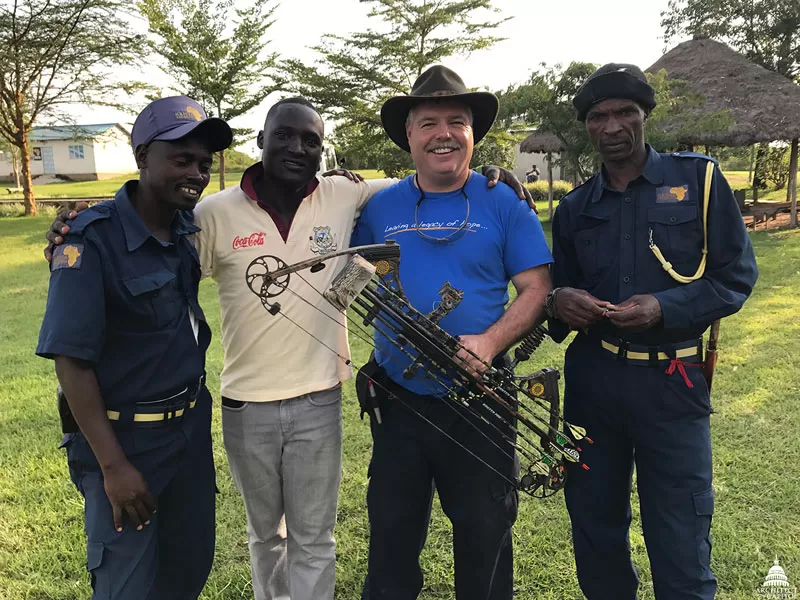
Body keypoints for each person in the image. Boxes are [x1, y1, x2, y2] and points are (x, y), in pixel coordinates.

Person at [45, 96, 531, 600]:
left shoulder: (345, 197)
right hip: (244, 406)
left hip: (320, 399)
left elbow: (429, 175)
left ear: (323, 151)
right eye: (284, 135)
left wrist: (488, 172)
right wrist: (85, 221)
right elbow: (153, 235)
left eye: (311, 141)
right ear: (261, 141)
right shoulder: (214, 213)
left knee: (315, 540)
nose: (297, 148)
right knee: (265, 538)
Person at [545, 64, 758, 600]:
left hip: (673, 381)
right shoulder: (575, 206)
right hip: (593, 385)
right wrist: (558, 300)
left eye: (624, 112)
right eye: (598, 116)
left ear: (644, 117)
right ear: (586, 127)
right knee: (594, 525)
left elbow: (735, 277)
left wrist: (664, 307)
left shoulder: (699, 181)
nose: (611, 125)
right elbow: (555, 292)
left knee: (681, 529)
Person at [351, 65, 553, 600]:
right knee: (392, 536)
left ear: (472, 133)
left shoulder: (503, 201)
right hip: (399, 401)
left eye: (456, 121)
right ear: (409, 135)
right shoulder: (378, 207)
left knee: (486, 535)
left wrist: (488, 343)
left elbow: (536, 288)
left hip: (483, 400)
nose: (443, 132)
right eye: (429, 121)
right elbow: (348, 274)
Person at [36, 96, 233, 599]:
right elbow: (72, 363)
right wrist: (114, 466)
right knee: (126, 586)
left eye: (203, 164)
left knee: (187, 570)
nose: (195, 173)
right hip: (124, 443)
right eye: (181, 159)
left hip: (187, 434)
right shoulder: (89, 241)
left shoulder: (185, 228)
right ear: (143, 157)